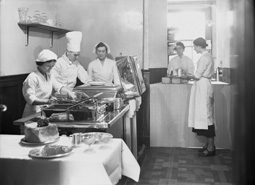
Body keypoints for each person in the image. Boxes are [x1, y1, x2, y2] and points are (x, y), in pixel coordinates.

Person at [183, 37, 216, 157]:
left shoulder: (204, 58)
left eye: (195, 46)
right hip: (205, 85)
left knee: (206, 116)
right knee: (206, 115)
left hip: (203, 86)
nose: (195, 49)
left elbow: (197, 75)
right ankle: (208, 144)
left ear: (199, 46)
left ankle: (211, 148)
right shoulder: (209, 56)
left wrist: (187, 76)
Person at [22, 49, 76, 117]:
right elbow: (30, 99)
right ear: (40, 64)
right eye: (48, 66)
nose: (50, 69)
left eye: (52, 67)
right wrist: (48, 101)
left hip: (44, 111)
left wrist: (69, 92)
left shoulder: (49, 75)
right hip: (33, 113)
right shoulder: (32, 77)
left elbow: (58, 86)